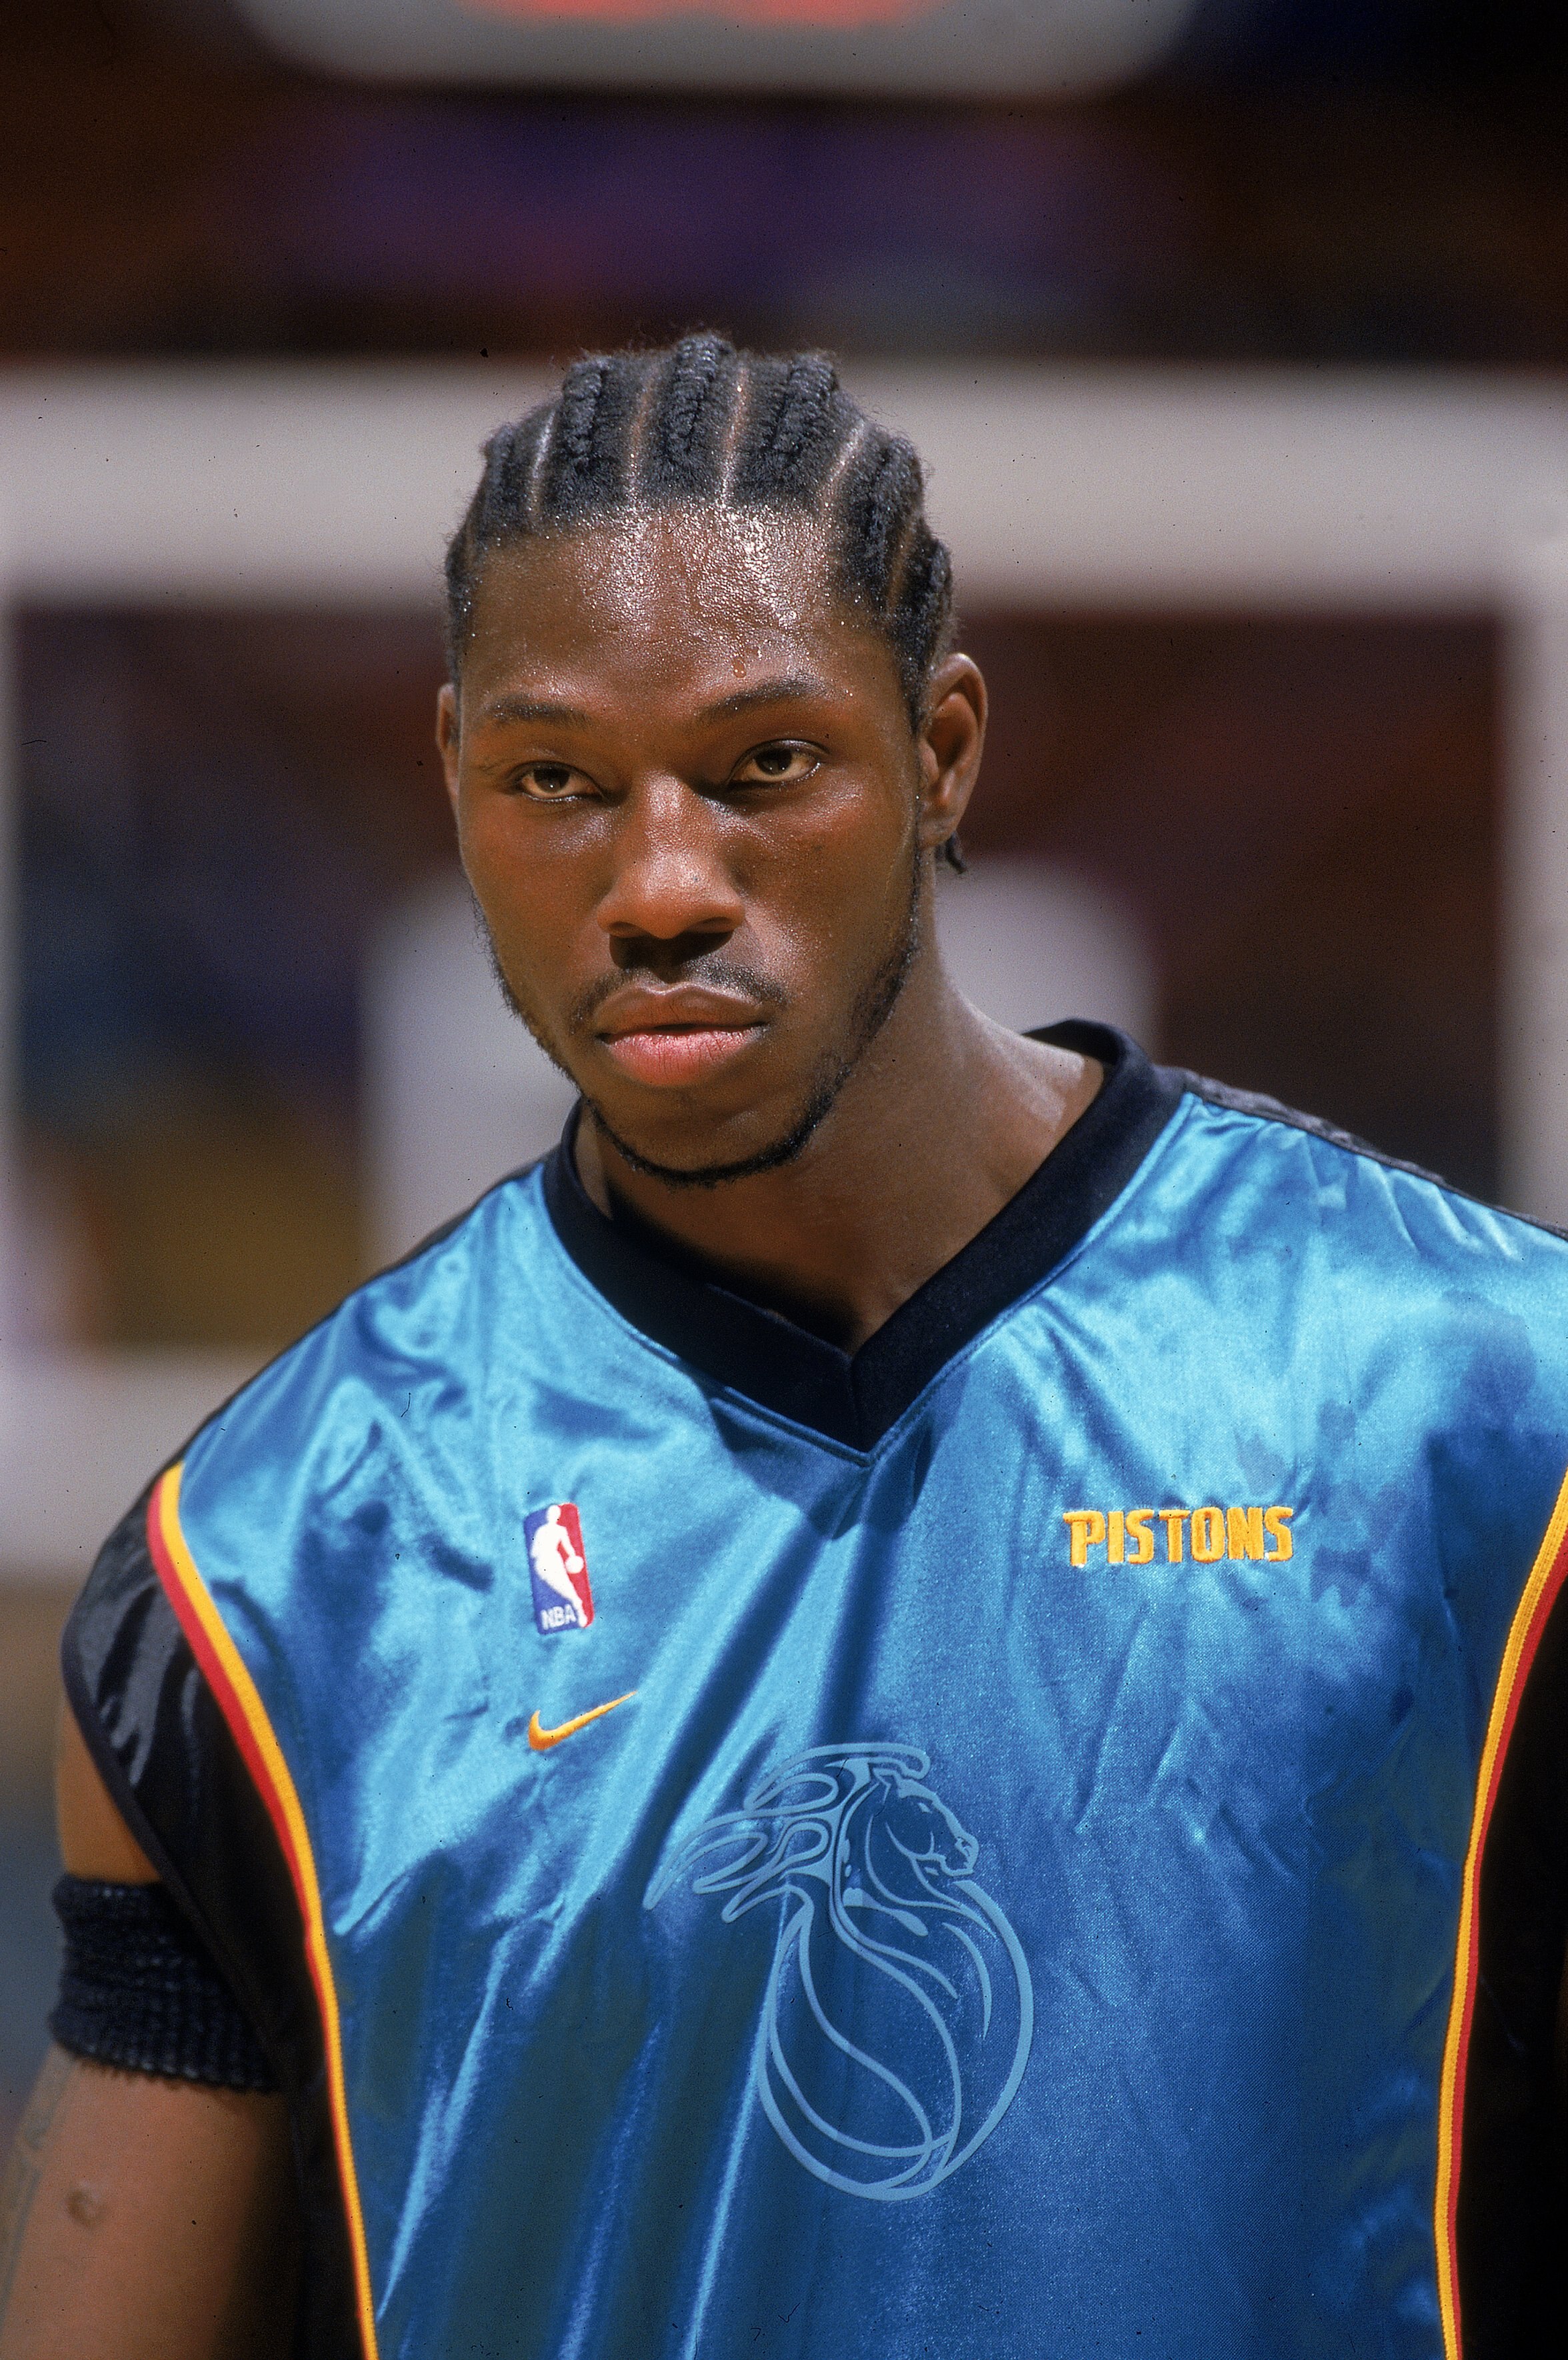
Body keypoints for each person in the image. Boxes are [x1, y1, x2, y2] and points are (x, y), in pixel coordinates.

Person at [1, 333, 1565, 2360]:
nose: (658, 882)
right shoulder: (268, 1581)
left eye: (765, 767)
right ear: (454, 771)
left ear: (944, 750)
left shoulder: (1478, 1411)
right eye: (557, 780)